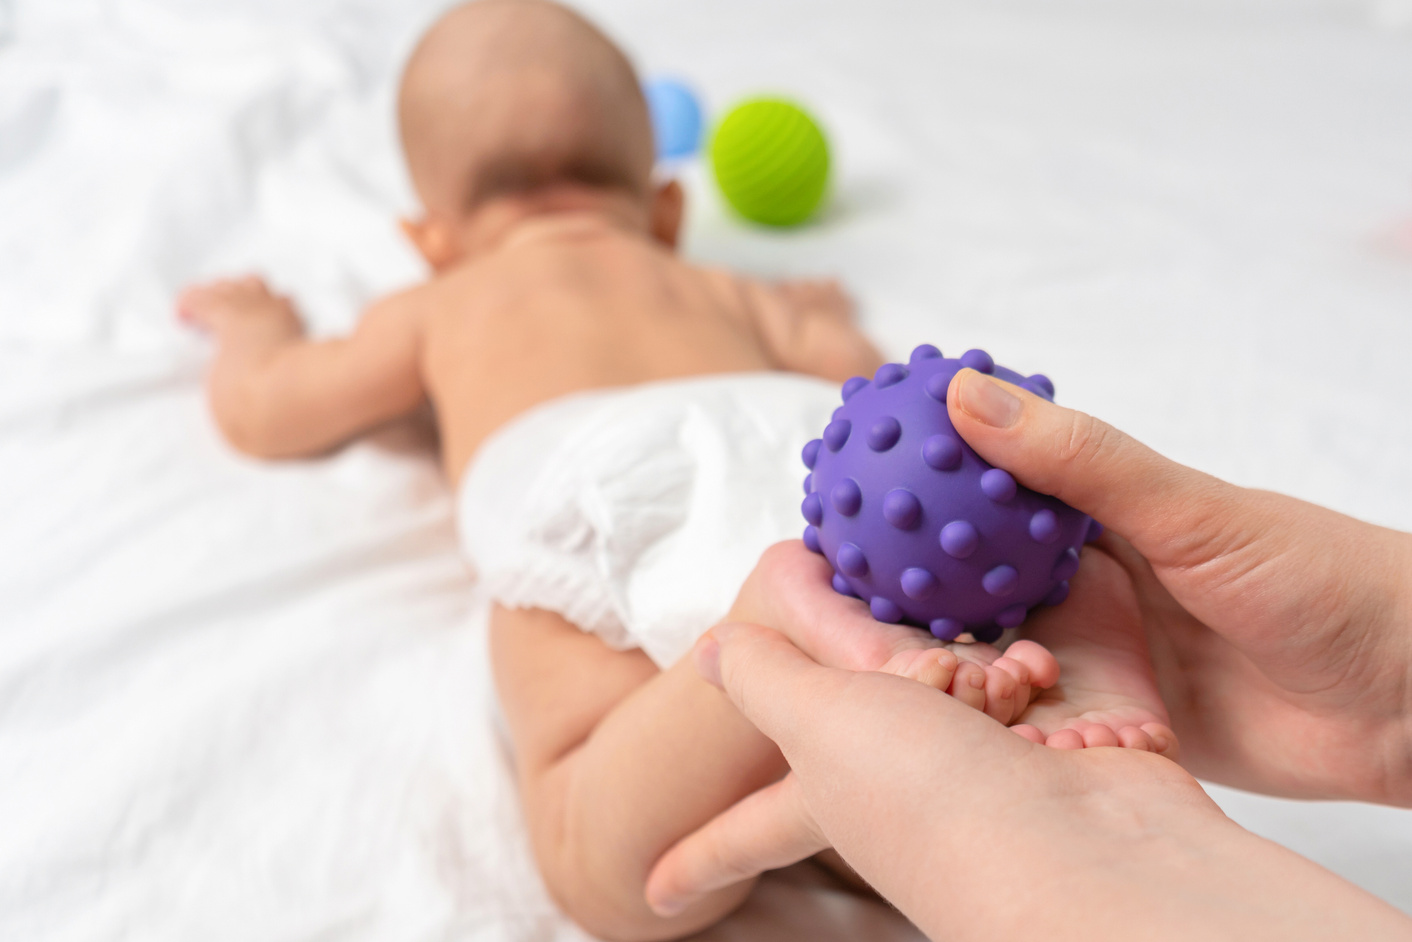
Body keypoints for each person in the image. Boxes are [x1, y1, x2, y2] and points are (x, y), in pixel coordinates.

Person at [177, 2, 1137, 938]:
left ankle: (761, 643)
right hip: (794, 474)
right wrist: (814, 310)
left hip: (596, 481)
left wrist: (254, 331)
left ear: (429, 240)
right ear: (665, 207)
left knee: (595, 846)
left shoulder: (446, 300)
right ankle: (914, 743)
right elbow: (842, 359)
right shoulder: (717, 285)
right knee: (891, 790)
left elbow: (272, 411)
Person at [644, 368, 1412, 939]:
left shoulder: (735, 301)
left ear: (668, 209)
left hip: (884, 546)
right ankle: (814, 622)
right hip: (674, 513)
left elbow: (821, 333)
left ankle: (1025, 756)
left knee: (636, 864)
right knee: (609, 863)